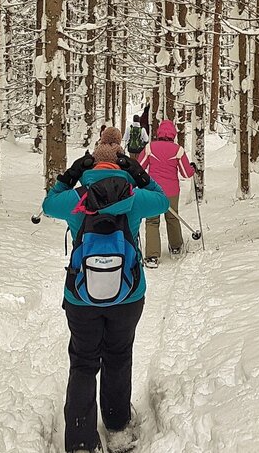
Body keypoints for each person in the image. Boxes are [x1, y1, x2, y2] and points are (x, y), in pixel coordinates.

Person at [42, 127, 169, 453]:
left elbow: (48, 203)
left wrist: (70, 175)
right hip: (128, 295)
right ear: (119, 164)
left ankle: (82, 440)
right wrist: (139, 174)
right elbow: (163, 200)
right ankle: (116, 427)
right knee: (118, 356)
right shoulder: (134, 198)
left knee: (83, 362)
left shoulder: (76, 198)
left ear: (93, 164)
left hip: (80, 297)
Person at [137, 120, 195, 268]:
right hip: (171, 191)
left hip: (153, 191)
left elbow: (139, 167)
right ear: (173, 134)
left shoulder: (149, 147)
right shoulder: (178, 150)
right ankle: (176, 247)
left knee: (152, 220)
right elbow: (186, 173)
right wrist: (192, 168)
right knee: (172, 217)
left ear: (159, 133)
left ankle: (152, 257)